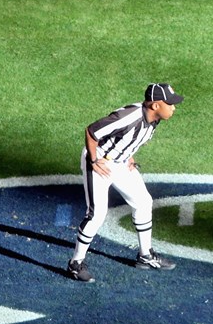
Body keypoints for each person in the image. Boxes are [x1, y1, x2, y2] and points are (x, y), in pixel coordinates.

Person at [66, 83, 183, 282]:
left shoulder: (154, 118)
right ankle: (75, 263)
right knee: (97, 214)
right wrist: (93, 160)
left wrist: (128, 155)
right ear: (155, 105)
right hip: (101, 163)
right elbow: (92, 132)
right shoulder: (129, 117)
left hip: (121, 162)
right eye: (169, 104)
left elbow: (131, 138)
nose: (173, 108)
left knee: (143, 202)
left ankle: (145, 256)